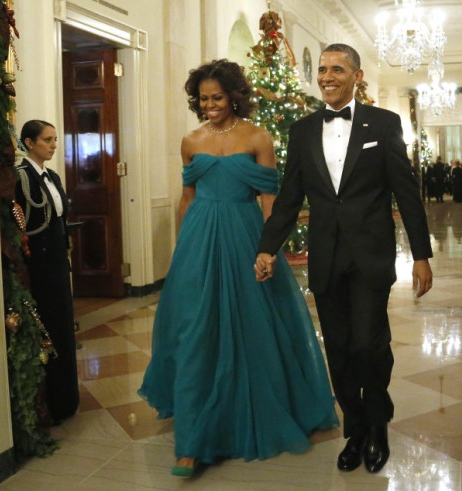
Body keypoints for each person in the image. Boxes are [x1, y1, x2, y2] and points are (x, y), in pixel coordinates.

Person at [138, 59, 338, 477]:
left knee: (253, 326)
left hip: (246, 235)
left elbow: (270, 202)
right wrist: (181, 248)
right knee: (197, 329)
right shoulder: (191, 140)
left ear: (234, 96)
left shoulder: (258, 137)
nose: (210, 105)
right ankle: (191, 442)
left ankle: (254, 410)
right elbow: (187, 198)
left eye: (217, 97)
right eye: (203, 98)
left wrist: (269, 249)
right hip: (199, 240)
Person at [255, 44, 433, 474]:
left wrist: (422, 255)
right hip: (327, 255)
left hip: (371, 253)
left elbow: (406, 192)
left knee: (367, 343)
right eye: (321, 69)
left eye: (337, 69)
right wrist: (267, 246)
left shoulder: (384, 124)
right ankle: (355, 427)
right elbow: (289, 198)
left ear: (356, 75)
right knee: (338, 347)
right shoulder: (301, 131)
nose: (327, 76)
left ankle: (377, 423)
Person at [15, 120, 79, 424]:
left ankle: (68, 399)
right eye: (47, 140)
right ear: (29, 143)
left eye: (55, 139)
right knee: (48, 327)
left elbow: (59, 217)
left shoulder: (51, 175)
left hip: (56, 260)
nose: (53, 145)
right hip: (39, 263)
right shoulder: (21, 176)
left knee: (64, 324)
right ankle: (51, 402)